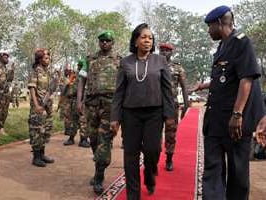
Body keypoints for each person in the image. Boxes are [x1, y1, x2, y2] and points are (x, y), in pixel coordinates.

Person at [193, 6, 265, 200]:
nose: (208, 31)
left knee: (238, 173)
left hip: (235, 124)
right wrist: (203, 86)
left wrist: (237, 114)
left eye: (209, 27)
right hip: (216, 120)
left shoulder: (242, 42)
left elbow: (246, 79)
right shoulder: (221, 46)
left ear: (219, 23)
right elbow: (225, 79)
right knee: (212, 171)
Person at [110, 23, 175, 199]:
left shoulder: (160, 61)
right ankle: (133, 195)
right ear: (136, 40)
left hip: (155, 114)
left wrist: (170, 115)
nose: (148, 40)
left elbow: (167, 90)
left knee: (153, 150)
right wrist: (114, 118)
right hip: (130, 114)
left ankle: (149, 175)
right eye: (144, 37)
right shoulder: (125, 62)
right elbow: (119, 92)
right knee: (130, 154)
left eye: (150, 38)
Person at [77, 30, 121, 195]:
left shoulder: (119, 61)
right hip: (91, 104)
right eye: (101, 40)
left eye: (107, 41)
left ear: (112, 43)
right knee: (93, 138)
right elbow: (81, 80)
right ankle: (99, 167)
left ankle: (99, 176)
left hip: (110, 105)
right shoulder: (89, 59)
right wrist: (79, 100)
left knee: (104, 139)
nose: (104, 43)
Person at [159, 42, 189, 171]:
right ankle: (153, 158)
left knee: (171, 133)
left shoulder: (178, 68)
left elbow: (184, 86)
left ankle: (169, 159)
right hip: (155, 104)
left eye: (167, 51)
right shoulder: (154, 66)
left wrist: (186, 105)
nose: (164, 53)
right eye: (162, 50)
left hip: (171, 104)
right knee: (154, 133)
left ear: (171, 53)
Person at [27, 48, 55, 167]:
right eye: (46, 58)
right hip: (38, 106)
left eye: (48, 57)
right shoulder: (36, 71)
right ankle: (36, 157)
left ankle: (42, 154)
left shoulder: (47, 72)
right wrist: (37, 105)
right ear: (39, 59)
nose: (48, 59)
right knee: (37, 130)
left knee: (46, 130)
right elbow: (32, 88)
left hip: (47, 106)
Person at [60, 61, 90, 148]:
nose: (79, 67)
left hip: (84, 100)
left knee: (83, 120)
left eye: (80, 66)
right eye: (78, 66)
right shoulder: (74, 76)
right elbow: (69, 87)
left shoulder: (86, 75)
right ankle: (71, 138)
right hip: (73, 100)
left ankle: (83, 139)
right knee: (73, 119)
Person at [0, 52, 15, 136]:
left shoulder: (6, 69)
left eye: (7, 57)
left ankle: (1, 128)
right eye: (5, 57)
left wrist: (12, 71)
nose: (7, 58)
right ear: (0, 58)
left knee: (5, 111)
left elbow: (10, 80)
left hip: (6, 93)